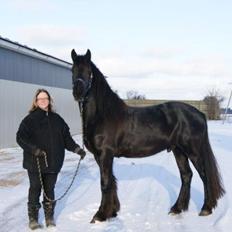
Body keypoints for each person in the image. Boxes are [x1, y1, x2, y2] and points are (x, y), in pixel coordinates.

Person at [16, 89, 86, 230]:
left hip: (54, 162)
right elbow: (20, 138)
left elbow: (66, 138)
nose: (43, 100)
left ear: (49, 100)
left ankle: (49, 217)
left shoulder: (57, 119)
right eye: (40, 98)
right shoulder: (29, 120)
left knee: (49, 189)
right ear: (35, 102)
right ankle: (33, 219)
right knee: (35, 188)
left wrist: (77, 149)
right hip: (34, 162)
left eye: (45, 98)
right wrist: (34, 149)